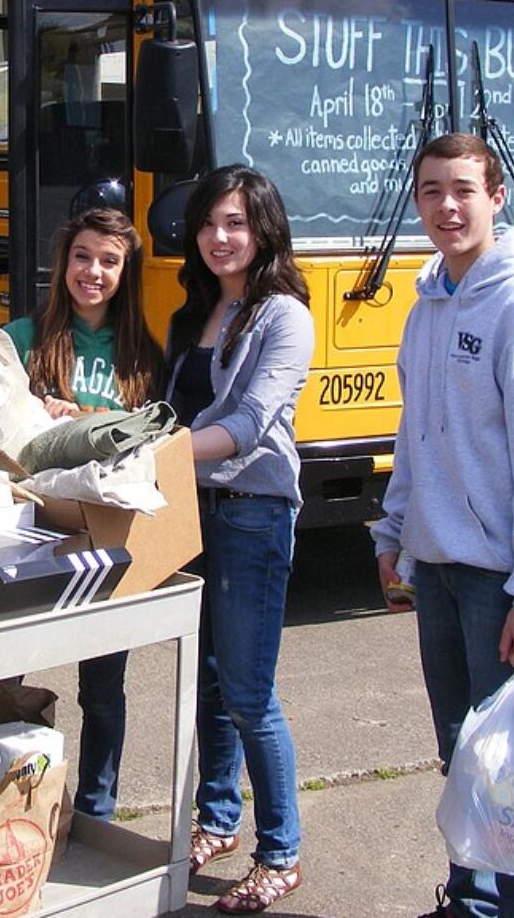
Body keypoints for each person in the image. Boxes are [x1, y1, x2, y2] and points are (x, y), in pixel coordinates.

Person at [371, 133, 514, 918]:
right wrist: (393, 534)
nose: (446, 206)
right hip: (437, 570)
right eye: (431, 191)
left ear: (497, 198)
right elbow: (414, 433)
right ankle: (470, 900)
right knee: (463, 760)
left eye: (463, 189)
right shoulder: (428, 303)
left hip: (501, 584)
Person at [164, 165, 314, 914]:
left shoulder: (283, 315)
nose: (221, 238)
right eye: (209, 223)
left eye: (237, 224)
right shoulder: (191, 313)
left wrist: (153, 456)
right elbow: (167, 411)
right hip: (191, 512)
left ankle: (281, 850)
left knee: (251, 692)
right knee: (210, 684)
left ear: (264, 230)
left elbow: (251, 423)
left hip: (252, 512)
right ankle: (217, 820)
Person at [4, 206, 164, 819]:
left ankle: (96, 813)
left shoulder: (142, 358)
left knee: (102, 687)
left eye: (108, 261)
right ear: (63, 261)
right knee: (3, 673)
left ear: (126, 273)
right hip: (27, 534)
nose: (92, 272)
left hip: (104, 544)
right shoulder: (23, 339)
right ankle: (0, 805)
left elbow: (152, 453)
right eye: (82, 256)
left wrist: (95, 423)